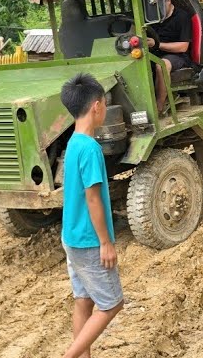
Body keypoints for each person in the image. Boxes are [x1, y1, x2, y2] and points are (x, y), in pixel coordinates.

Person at [58, 74, 123, 358]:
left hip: (71, 237)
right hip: (88, 241)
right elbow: (93, 197)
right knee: (112, 304)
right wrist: (105, 243)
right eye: (105, 104)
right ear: (97, 106)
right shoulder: (90, 148)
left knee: (84, 301)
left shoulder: (73, 142)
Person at [147, 0, 192, 115]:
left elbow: (183, 47)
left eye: (159, 5)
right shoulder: (151, 19)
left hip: (178, 56)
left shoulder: (182, 17)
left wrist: (157, 44)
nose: (157, 9)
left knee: (162, 65)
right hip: (155, 53)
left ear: (168, 1)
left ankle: (159, 107)